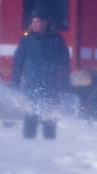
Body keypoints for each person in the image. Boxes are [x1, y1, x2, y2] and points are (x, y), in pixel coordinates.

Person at [11, 8, 71, 139]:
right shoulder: (26, 40)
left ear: (46, 23)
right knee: (30, 117)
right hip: (31, 87)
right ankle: (28, 146)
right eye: (34, 22)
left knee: (49, 120)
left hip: (51, 87)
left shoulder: (57, 40)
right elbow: (17, 63)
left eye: (40, 22)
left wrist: (65, 84)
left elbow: (65, 65)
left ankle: (48, 148)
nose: (36, 25)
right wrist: (15, 83)